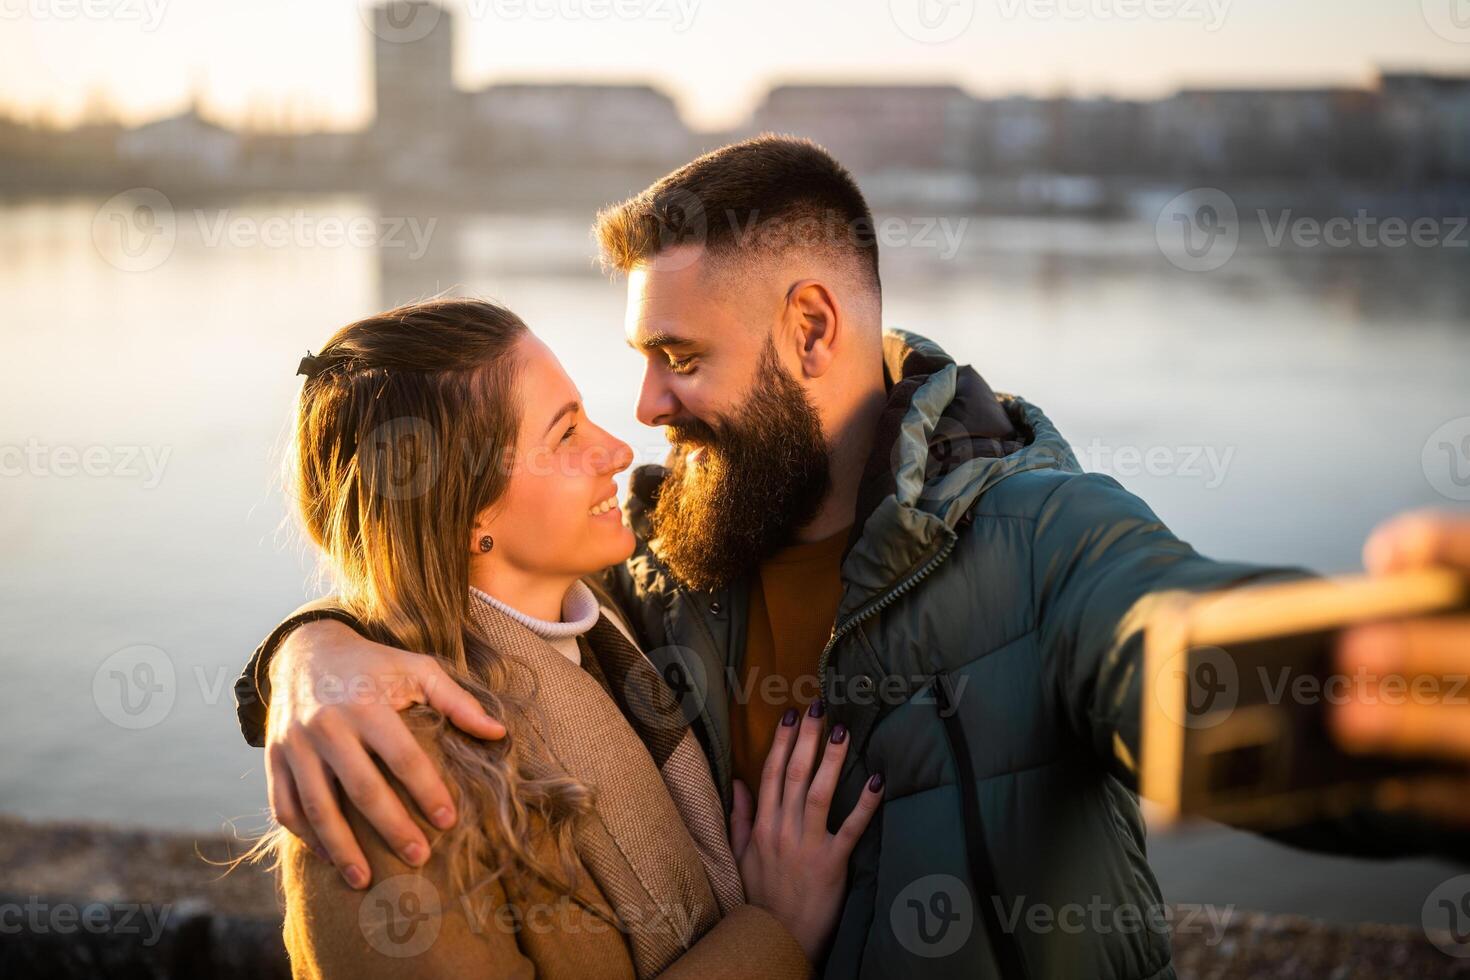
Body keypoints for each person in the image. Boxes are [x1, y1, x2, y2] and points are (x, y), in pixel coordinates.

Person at [238, 137, 1470, 978]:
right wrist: (311, 651)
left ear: (812, 326)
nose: (646, 411)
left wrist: (1395, 694)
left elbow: (1172, 643)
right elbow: (460, 602)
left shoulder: (1043, 536)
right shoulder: (661, 566)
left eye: (678, 355)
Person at [249, 298, 881, 978]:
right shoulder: (389, 778)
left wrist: (306, 645)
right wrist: (775, 935)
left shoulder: (607, 625)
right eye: (565, 434)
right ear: (465, 512)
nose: (616, 450)